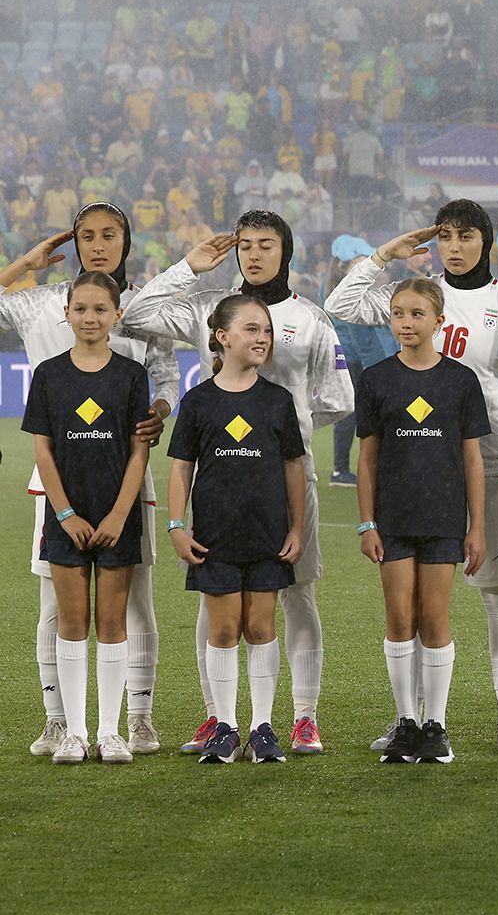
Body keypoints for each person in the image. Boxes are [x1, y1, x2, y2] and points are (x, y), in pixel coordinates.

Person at [330, 202, 498, 755]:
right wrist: (385, 254)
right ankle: (411, 719)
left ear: (485, 241)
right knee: (410, 605)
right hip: (414, 465)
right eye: (447, 237)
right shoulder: (418, 292)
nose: (455, 246)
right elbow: (339, 304)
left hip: (488, 459)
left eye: (466, 236)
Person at [126, 212, 351, 756]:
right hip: (219, 479)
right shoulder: (212, 307)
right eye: (244, 246)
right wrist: (187, 267)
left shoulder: (311, 319)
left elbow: (339, 398)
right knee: (215, 595)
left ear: (286, 253)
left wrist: (282, 436)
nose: (252, 255)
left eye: (265, 245)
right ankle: (218, 717)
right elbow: (134, 315)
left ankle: (302, 717)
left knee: (297, 594)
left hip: (289, 478)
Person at [0, 205, 178, 758]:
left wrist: (162, 407)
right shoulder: (39, 299)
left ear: (127, 239)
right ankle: (61, 721)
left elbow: (166, 377)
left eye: (110, 234)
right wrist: (20, 266)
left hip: (126, 476)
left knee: (134, 604)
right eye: (87, 236)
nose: (98, 244)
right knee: (57, 607)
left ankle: (137, 718)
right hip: (58, 484)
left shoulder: (146, 307)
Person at [166, 294, 309, 764]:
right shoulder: (199, 401)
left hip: (267, 535)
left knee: (261, 626)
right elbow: (181, 468)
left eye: (265, 330)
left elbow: (293, 466)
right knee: (224, 630)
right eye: (251, 329)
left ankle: (262, 727)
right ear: (222, 337)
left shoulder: (277, 401)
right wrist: (176, 526)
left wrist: (297, 527)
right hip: (215, 537)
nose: (262, 338)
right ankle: (226, 726)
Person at [354, 278, 490, 764]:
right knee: (399, 618)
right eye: (397, 313)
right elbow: (367, 459)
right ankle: (406, 722)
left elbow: (473, 459)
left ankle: (437, 724)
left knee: (434, 618)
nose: (405, 323)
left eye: (416, 314)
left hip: (444, 518)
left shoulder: (460, 380)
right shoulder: (375, 379)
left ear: (439, 320)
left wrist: (476, 526)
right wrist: (366, 522)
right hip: (393, 519)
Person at [23, 272, 155, 764]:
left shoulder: (130, 375)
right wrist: (64, 513)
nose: (90, 318)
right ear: (67, 313)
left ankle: (110, 731)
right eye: (81, 309)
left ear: (117, 315)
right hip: (67, 518)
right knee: (73, 621)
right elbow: (42, 447)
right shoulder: (50, 375)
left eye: (101, 309)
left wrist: (121, 514)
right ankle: (75, 733)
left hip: (116, 517)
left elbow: (140, 450)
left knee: (112, 621)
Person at [325, 235, 391, 488]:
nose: (367, 260)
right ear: (349, 260)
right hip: (355, 358)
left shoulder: (331, 284)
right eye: (362, 256)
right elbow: (360, 333)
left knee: (349, 413)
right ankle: (346, 470)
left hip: (345, 357)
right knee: (360, 415)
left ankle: (341, 469)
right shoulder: (348, 289)